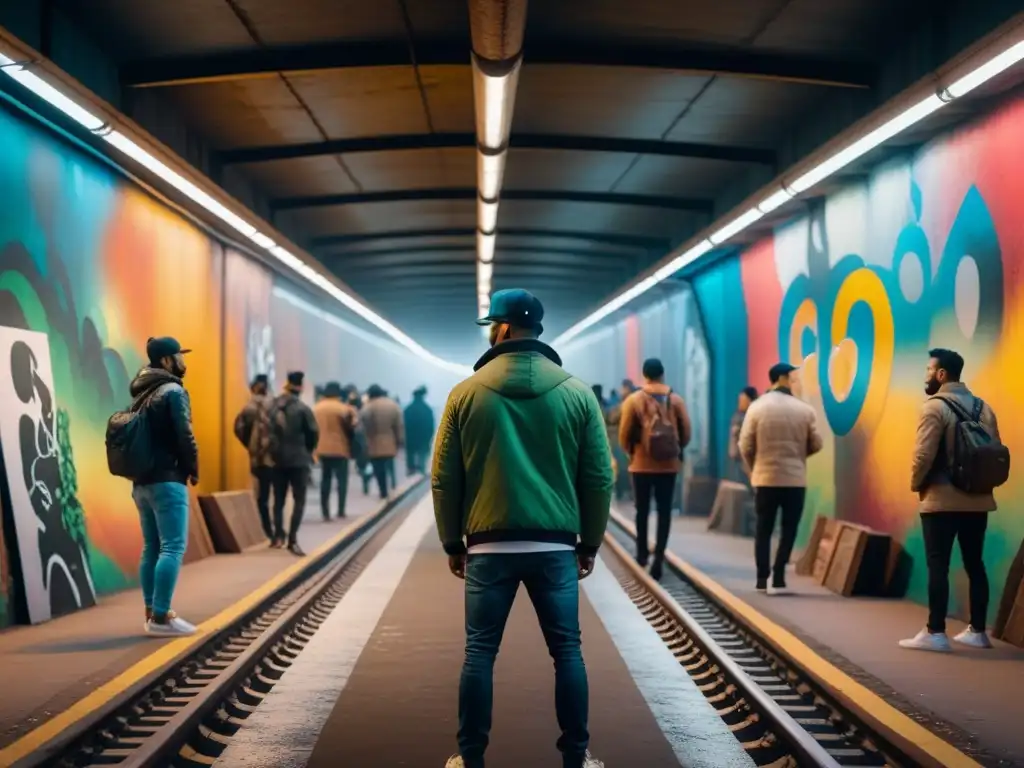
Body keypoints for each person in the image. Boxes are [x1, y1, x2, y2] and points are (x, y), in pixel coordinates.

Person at [434, 288, 612, 768]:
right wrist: (589, 542)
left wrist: (453, 541)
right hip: (555, 546)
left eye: (494, 325)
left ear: (505, 329)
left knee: (479, 653)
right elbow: (598, 476)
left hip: (488, 548)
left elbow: (445, 478)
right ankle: (576, 758)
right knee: (567, 652)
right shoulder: (577, 393)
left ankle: (470, 759)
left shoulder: (464, 394)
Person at [901, 348, 1006, 652]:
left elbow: (923, 455)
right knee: (975, 563)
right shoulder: (983, 408)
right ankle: (977, 631)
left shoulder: (934, 407)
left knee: (938, 564)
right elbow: (993, 452)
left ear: (941, 374)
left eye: (928, 370)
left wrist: (915, 484)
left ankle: (935, 632)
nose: (926, 375)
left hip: (941, 501)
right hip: (978, 500)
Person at [129, 336, 199, 637]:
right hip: (167, 480)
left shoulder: (139, 393)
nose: (183, 361)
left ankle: (151, 611)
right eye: (179, 356)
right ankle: (161, 617)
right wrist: (193, 469)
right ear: (168, 361)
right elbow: (185, 435)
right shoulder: (173, 391)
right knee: (172, 546)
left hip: (141, 482)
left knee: (152, 547)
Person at [738, 362, 823, 595]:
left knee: (763, 529)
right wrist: (797, 454)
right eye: (793, 377)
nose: (795, 381)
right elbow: (817, 443)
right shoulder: (804, 410)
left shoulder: (756, 408)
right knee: (789, 529)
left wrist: (755, 467)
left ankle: (761, 578)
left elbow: (745, 444)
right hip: (794, 480)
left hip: (764, 478)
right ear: (783, 378)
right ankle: (778, 576)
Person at [618, 359, 691, 581]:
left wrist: (632, 453)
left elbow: (623, 434)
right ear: (662, 374)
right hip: (668, 467)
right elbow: (686, 432)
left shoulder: (633, 400)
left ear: (645, 375)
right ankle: (659, 557)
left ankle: (641, 555)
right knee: (664, 511)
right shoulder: (675, 399)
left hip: (640, 465)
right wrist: (674, 451)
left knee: (641, 510)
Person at [268, 371, 319, 556]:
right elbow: (313, 433)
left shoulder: (273, 406)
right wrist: (308, 450)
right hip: (299, 460)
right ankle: (293, 540)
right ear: (301, 387)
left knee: (278, 500)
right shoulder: (303, 408)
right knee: (299, 499)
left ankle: (278, 535)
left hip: (276, 459)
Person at [233, 374, 276, 541]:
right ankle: (278, 530)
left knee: (262, 496)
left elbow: (238, 429)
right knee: (278, 494)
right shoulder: (276, 406)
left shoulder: (248, 408)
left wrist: (250, 446)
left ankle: (267, 530)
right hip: (278, 459)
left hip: (259, 459)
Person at [313, 381, 358, 520]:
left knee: (325, 480)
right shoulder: (345, 409)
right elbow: (354, 426)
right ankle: (341, 510)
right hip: (340, 448)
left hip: (322, 448)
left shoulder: (316, 408)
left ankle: (325, 512)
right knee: (342, 481)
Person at [360, 384, 404, 499]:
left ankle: (382, 490)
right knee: (389, 467)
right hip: (390, 442)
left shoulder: (367, 407)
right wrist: (399, 441)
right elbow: (399, 425)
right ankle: (391, 485)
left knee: (377, 469)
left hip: (373, 442)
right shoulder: (393, 405)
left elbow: (363, 426)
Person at [605, 380, 636, 501]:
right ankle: (626, 492)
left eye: (623, 388)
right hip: (627, 442)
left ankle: (624, 492)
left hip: (625, 442)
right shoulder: (627, 402)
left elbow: (613, 418)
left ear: (627, 388)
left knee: (623, 468)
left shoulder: (628, 402)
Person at [728, 386, 759, 484]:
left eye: (743, 400)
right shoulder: (737, 417)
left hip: (749, 461)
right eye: (739, 400)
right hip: (737, 460)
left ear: (751, 401)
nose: (740, 403)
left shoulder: (754, 417)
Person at [404, 385, 436, 474]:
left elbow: (404, 424)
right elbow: (430, 425)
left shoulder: (408, 409)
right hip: (423, 438)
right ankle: (421, 471)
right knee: (422, 455)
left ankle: (411, 470)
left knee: (410, 454)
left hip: (410, 437)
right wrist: (430, 436)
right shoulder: (427, 409)